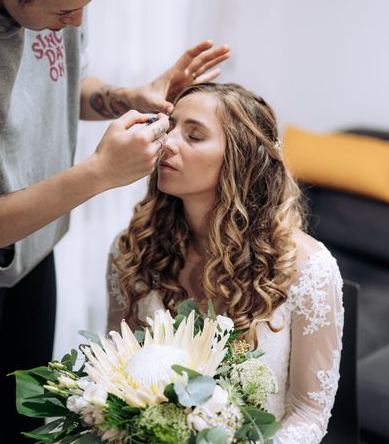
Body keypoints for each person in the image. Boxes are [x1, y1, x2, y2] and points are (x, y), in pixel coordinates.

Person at [0, 0, 229, 442]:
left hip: (30, 251)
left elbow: (61, 84)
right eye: (66, 12)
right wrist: (100, 173)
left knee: (28, 427)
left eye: (85, 6)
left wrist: (128, 95)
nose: (78, 23)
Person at [106, 83, 344, 444]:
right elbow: (115, 376)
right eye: (168, 127)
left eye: (194, 136)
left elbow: (309, 413)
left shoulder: (309, 270)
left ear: (241, 158)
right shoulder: (133, 249)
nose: (167, 142)